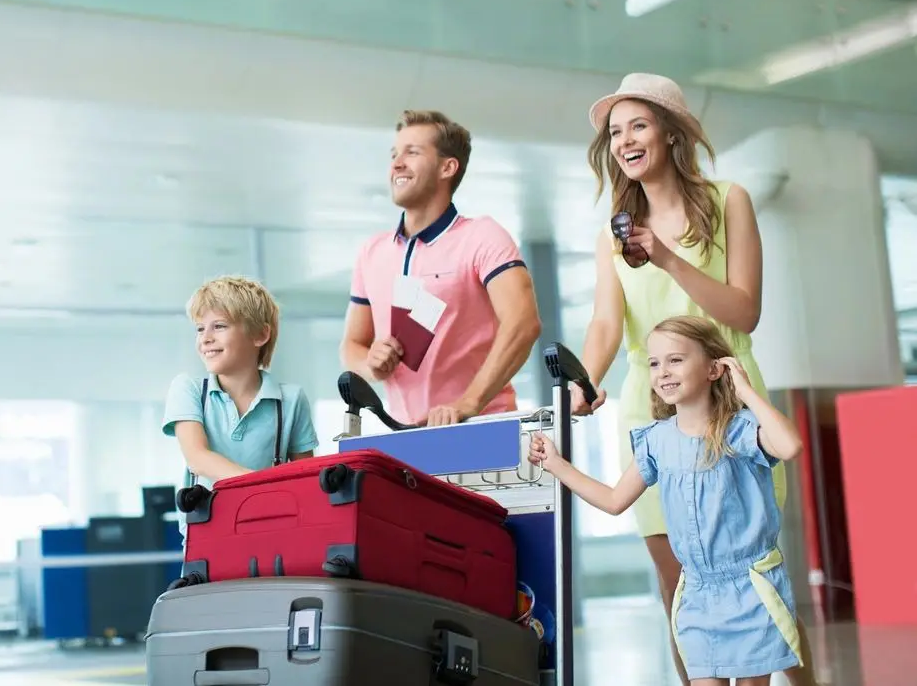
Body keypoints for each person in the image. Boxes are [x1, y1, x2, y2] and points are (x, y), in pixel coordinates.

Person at [572, 72, 816, 685]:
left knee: (755, 574)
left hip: (729, 403)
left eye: (639, 124)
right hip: (651, 412)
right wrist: (584, 378)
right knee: (680, 585)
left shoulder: (727, 199)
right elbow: (606, 323)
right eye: (615, 131)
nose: (625, 140)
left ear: (671, 131)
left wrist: (668, 256)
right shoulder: (614, 232)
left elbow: (744, 311)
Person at [529, 315, 806, 686]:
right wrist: (557, 465)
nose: (662, 371)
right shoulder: (655, 441)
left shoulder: (738, 430)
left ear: (713, 369)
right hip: (697, 595)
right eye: (654, 363)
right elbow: (614, 500)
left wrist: (746, 391)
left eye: (676, 359)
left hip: (751, 591)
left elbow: (790, 445)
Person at [340, 109, 541, 427]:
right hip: (404, 436)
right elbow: (352, 344)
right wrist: (370, 365)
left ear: (447, 167)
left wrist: (468, 403)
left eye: (412, 152)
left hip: (480, 427)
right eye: (394, 154)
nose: (396, 163)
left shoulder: (482, 236)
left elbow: (523, 324)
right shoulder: (372, 252)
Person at [161, 275, 319, 538]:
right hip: (206, 541)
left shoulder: (291, 401)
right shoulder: (188, 389)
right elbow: (197, 458)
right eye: (200, 329)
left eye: (219, 326)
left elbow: (305, 480)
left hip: (271, 535)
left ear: (260, 334)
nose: (206, 338)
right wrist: (262, 490)